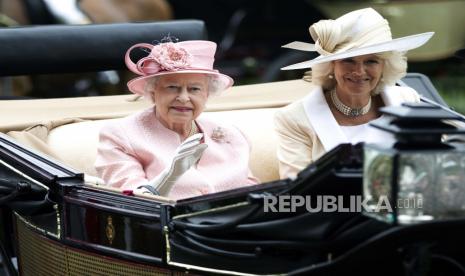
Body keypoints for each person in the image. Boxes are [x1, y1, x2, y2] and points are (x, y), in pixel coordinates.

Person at [274, 8, 434, 179]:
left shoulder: (407, 100)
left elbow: (433, 164)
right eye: (348, 60)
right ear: (331, 65)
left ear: (384, 66)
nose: (359, 71)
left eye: (371, 61)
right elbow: (296, 191)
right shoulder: (294, 119)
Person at [95, 39, 259, 200]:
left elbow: (253, 194)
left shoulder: (231, 133)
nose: (183, 97)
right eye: (172, 87)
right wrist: (169, 176)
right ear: (153, 92)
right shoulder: (121, 135)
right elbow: (132, 203)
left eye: (194, 89)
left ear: (207, 94)